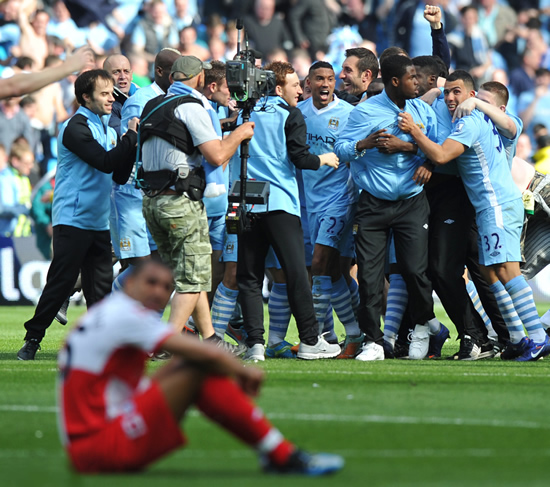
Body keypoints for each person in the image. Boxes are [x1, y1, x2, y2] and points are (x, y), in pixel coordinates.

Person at [57, 259, 344, 475]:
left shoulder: (108, 311)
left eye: (166, 287)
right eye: (151, 283)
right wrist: (243, 370)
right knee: (200, 366)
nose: (159, 292)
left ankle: (277, 453)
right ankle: (281, 454)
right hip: (99, 448)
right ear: (129, 283)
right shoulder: (125, 316)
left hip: (90, 442)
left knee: (194, 363)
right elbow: (199, 351)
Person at [398, 70, 550, 361]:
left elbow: (442, 156)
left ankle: (538, 338)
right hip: (488, 207)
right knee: (491, 272)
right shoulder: (493, 123)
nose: (453, 98)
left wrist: (415, 132)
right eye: (449, 93)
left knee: (507, 271)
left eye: (461, 94)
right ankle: (518, 338)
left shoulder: (471, 123)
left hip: (497, 205)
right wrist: (441, 91)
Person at [17, 69, 139, 361]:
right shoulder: (75, 127)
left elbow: (119, 175)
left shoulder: (109, 129)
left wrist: (130, 144)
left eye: (112, 93)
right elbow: (105, 162)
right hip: (72, 219)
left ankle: (101, 347)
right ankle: (32, 340)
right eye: (104, 93)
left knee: (100, 292)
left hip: (98, 221)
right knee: (61, 282)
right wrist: (131, 137)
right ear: (86, 97)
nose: (112, 98)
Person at [139, 55, 254, 353]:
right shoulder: (192, 106)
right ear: (200, 79)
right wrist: (240, 133)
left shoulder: (154, 104)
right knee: (193, 278)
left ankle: (211, 339)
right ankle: (162, 344)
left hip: (153, 203)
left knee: (191, 273)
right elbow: (216, 155)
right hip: (180, 203)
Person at [232, 60, 341, 361]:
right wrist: (325, 159)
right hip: (280, 203)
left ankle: (255, 344)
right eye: (295, 85)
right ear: (279, 87)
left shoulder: (245, 112)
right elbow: (300, 158)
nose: (300, 89)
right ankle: (309, 340)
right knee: (295, 272)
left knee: (249, 276)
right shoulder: (289, 115)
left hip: (245, 203)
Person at [335, 55, 441, 361]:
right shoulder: (366, 111)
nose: (419, 83)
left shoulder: (422, 110)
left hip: (411, 201)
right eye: (412, 78)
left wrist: (427, 162)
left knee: (414, 270)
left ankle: (422, 325)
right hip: (373, 203)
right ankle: (374, 341)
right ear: (396, 81)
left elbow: (439, 146)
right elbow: (341, 149)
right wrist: (364, 144)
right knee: (369, 276)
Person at [297, 61, 362, 358]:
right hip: (308, 201)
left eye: (330, 79)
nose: (325, 84)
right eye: (319, 78)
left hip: (339, 199)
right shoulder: (298, 114)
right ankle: (355, 332)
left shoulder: (349, 115)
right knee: (329, 272)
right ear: (308, 82)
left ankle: (315, 338)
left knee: (322, 263)